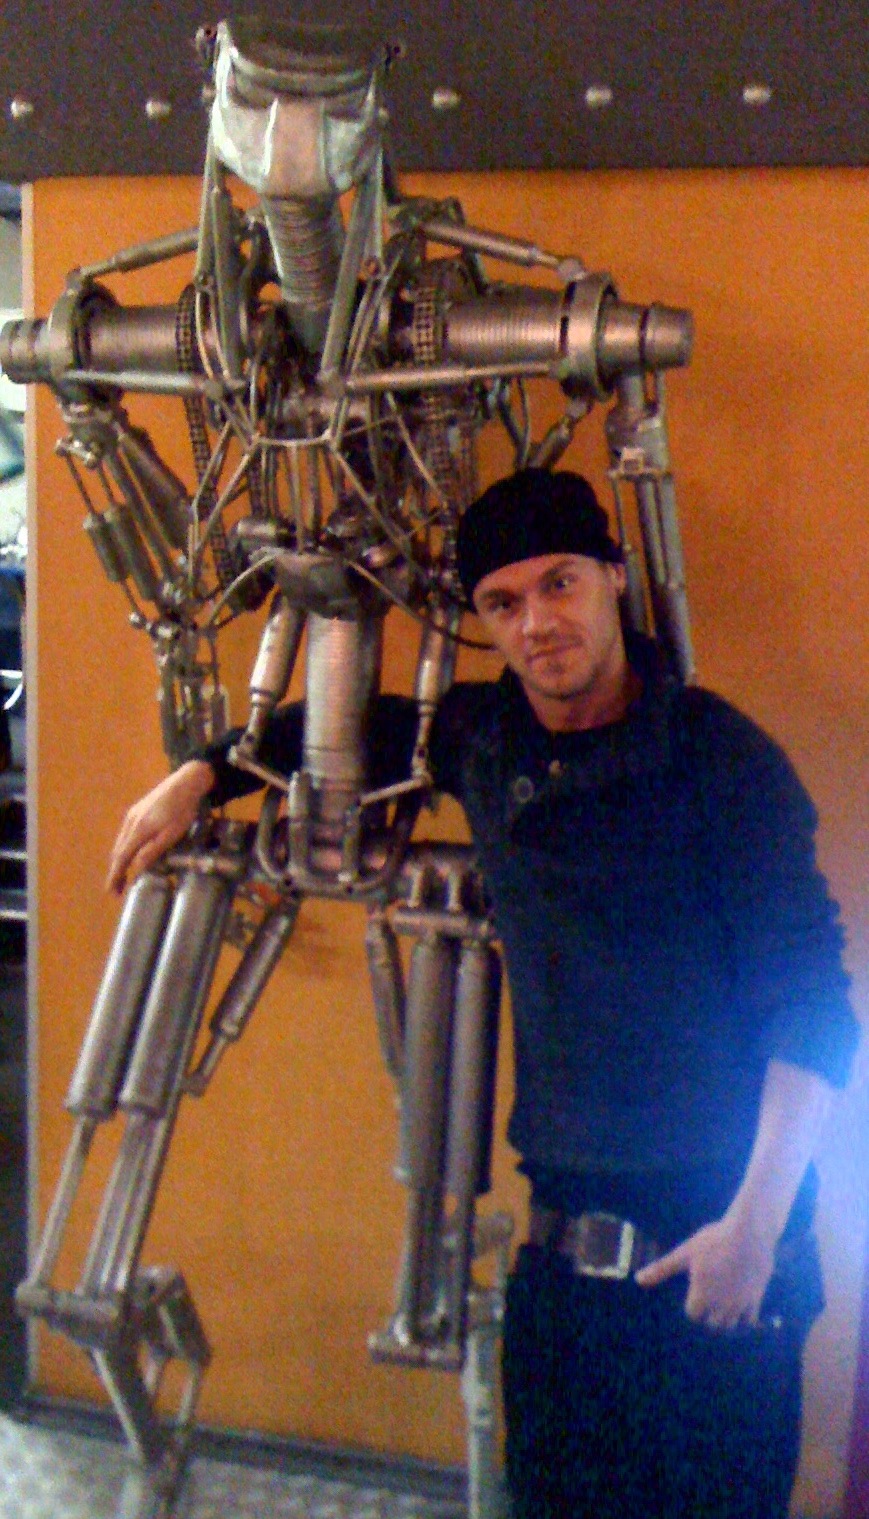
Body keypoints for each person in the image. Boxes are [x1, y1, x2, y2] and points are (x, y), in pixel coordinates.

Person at [107, 469, 859, 1519]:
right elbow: (349, 732)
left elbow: (814, 1011)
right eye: (503, 603)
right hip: (563, 1267)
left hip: (721, 1254)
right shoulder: (481, 736)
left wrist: (754, 1228)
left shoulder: (719, 758)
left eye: (559, 584)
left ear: (611, 577)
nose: (536, 622)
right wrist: (198, 774)